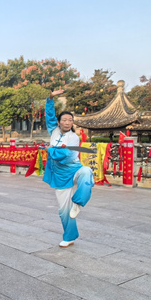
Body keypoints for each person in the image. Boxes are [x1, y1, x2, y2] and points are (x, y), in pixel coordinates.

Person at [43, 90, 94, 248]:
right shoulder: (54, 130)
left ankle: (78, 203)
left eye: (70, 120)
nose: (67, 122)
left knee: (87, 172)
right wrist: (51, 97)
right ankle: (70, 236)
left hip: (73, 170)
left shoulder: (74, 137)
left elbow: (64, 155)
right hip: (59, 174)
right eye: (64, 120)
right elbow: (49, 114)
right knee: (63, 210)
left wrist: (49, 149)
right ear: (58, 122)